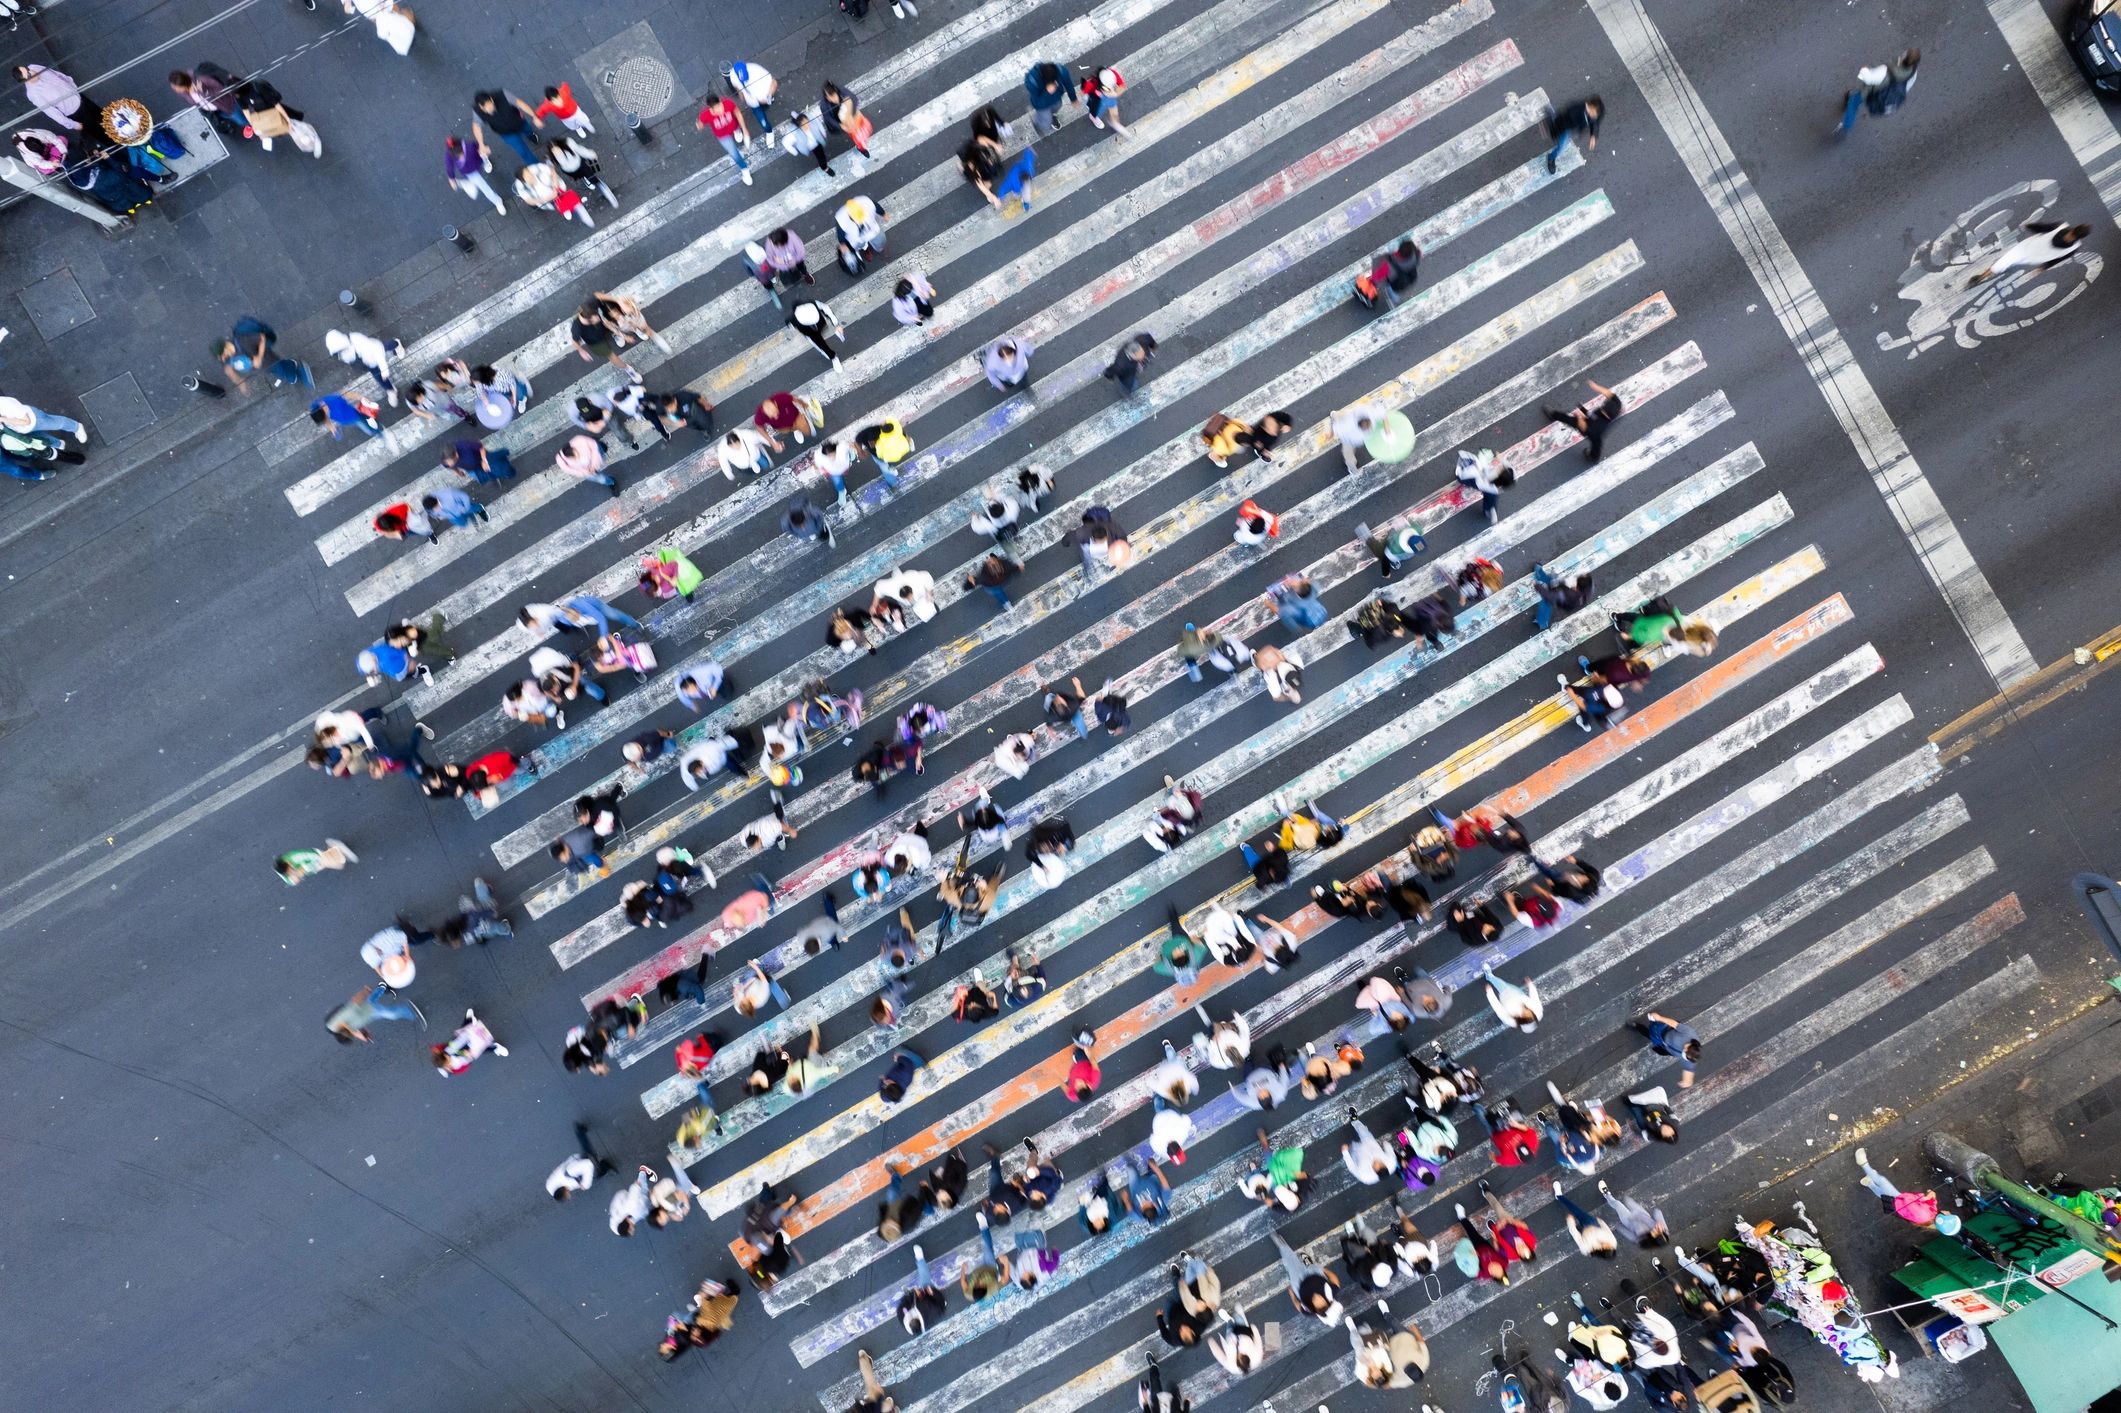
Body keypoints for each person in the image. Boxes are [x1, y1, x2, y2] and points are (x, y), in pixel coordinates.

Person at [1970, 219, 2092, 284]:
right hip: (2035, 258)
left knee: (2005, 261)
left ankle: (1981, 277)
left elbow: (2042, 227)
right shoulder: (2073, 249)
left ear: (2074, 228)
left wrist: (2028, 225)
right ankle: (2000, 269)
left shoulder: (2061, 226)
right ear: (2080, 238)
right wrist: (2042, 268)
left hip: (2027, 247)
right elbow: (2057, 259)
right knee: (2012, 261)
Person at [1837, 49, 1918, 134]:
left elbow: (1869, 79)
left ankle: (1846, 125)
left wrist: (1864, 70)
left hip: (1873, 92)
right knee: (1857, 98)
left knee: (1854, 101)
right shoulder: (1913, 72)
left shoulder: (1885, 71)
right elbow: (1906, 87)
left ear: (1903, 58)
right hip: (1885, 94)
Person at [1543, 379, 1624, 462]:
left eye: (1604, 409)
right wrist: (1596, 387)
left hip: (1590, 429)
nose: (1602, 407)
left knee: (1571, 420)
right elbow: (1609, 394)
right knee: (1597, 444)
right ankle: (1594, 457)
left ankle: (1553, 415)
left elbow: (1583, 427)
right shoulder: (1617, 404)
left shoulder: (1598, 425)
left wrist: (1579, 418)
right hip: (1594, 424)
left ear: (1606, 415)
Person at [325, 980, 422, 1042]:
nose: (352, 1035)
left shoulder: (346, 1017)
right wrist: (365, 1033)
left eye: (350, 1035)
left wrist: (364, 991)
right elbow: (357, 1027)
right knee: (372, 999)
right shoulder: (349, 1029)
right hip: (369, 1014)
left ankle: (409, 1010)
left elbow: (354, 1001)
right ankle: (382, 986)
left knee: (392, 1015)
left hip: (371, 1010)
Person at [697, 91, 754, 183]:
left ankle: (737, 131)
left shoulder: (727, 103)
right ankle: (745, 170)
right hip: (723, 136)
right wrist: (699, 126)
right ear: (709, 107)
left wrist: (744, 129)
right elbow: (700, 124)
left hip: (733, 126)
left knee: (736, 129)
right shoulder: (705, 114)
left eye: (719, 106)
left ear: (720, 101)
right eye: (715, 108)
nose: (718, 110)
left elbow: (738, 114)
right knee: (734, 153)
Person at [1635, 1010, 1702, 1088]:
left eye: (1686, 1051)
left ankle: (1637, 1026)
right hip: (1664, 1030)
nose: (1684, 1048)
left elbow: (1689, 1070)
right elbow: (1674, 1024)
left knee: (1650, 1036)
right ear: (1693, 1044)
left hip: (1663, 1045)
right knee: (1654, 1024)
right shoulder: (1689, 1033)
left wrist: (1687, 1081)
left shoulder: (1689, 1059)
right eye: (1688, 1047)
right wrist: (1659, 1018)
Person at [434, 1008, 509, 1074]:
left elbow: (462, 1040)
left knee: (480, 1047)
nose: (448, 1065)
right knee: (464, 1030)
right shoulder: (446, 1059)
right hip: (466, 1047)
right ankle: (469, 1019)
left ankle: (496, 1048)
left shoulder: (452, 1049)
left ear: (446, 1057)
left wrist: (467, 1051)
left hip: (468, 1042)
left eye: (447, 1063)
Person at [1545, 95, 1601, 172]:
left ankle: (1552, 115)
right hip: (1565, 127)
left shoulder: (1591, 115)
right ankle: (1551, 158)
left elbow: (1594, 123)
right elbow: (1564, 120)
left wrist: (1593, 136)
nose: (1594, 116)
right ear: (1590, 107)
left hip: (1569, 127)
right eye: (1594, 113)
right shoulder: (1577, 109)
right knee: (1561, 148)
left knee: (1556, 119)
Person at [1023, 60, 1079, 134]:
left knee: (1057, 107)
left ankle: (1051, 117)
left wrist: (1073, 99)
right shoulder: (1032, 81)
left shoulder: (1060, 70)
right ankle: (1037, 121)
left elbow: (1068, 84)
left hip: (1056, 99)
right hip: (1042, 105)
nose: (1055, 84)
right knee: (1046, 123)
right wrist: (1047, 93)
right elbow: (1037, 102)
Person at [789, 297, 845, 368]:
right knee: (821, 346)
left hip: (819, 326)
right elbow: (791, 325)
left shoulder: (814, 304)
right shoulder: (793, 319)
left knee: (821, 344)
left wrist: (837, 325)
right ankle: (833, 357)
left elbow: (826, 309)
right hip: (810, 333)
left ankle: (831, 356)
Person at [277, 838, 357, 885]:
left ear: (287, 863)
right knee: (334, 863)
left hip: (313, 856)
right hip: (309, 867)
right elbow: (290, 880)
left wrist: (322, 859)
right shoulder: (282, 871)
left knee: (338, 865)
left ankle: (335, 847)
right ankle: (334, 850)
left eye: (289, 869)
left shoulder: (295, 857)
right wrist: (294, 879)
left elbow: (312, 855)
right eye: (288, 872)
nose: (290, 872)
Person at [1103, 331, 1157, 396]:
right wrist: (1110, 377)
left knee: (1145, 360)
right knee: (1133, 385)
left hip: (1134, 367)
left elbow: (1148, 337)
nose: (1143, 357)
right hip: (1128, 375)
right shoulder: (1121, 364)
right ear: (1131, 355)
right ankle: (1125, 391)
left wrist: (1153, 346)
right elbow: (1110, 371)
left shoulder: (1142, 340)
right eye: (1140, 357)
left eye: (1143, 353)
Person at [310, 394, 382, 440]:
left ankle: (379, 432)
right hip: (348, 418)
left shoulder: (335, 401)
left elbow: (345, 394)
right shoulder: (315, 406)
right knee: (364, 423)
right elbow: (325, 419)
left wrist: (361, 397)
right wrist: (331, 427)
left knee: (365, 423)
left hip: (353, 415)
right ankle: (375, 430)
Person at [1080, 65, 1128, 135]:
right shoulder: (1091, 84)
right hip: (1097, 100)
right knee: (1096, 112)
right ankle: (1093, 117)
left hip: (1110, 97)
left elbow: (1122, 86)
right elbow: (1083, 92)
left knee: (1114, 111)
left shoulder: (1111, 74)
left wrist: (1115, 94)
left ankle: (1115, 123)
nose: (1108, 89)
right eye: (1106, 88)